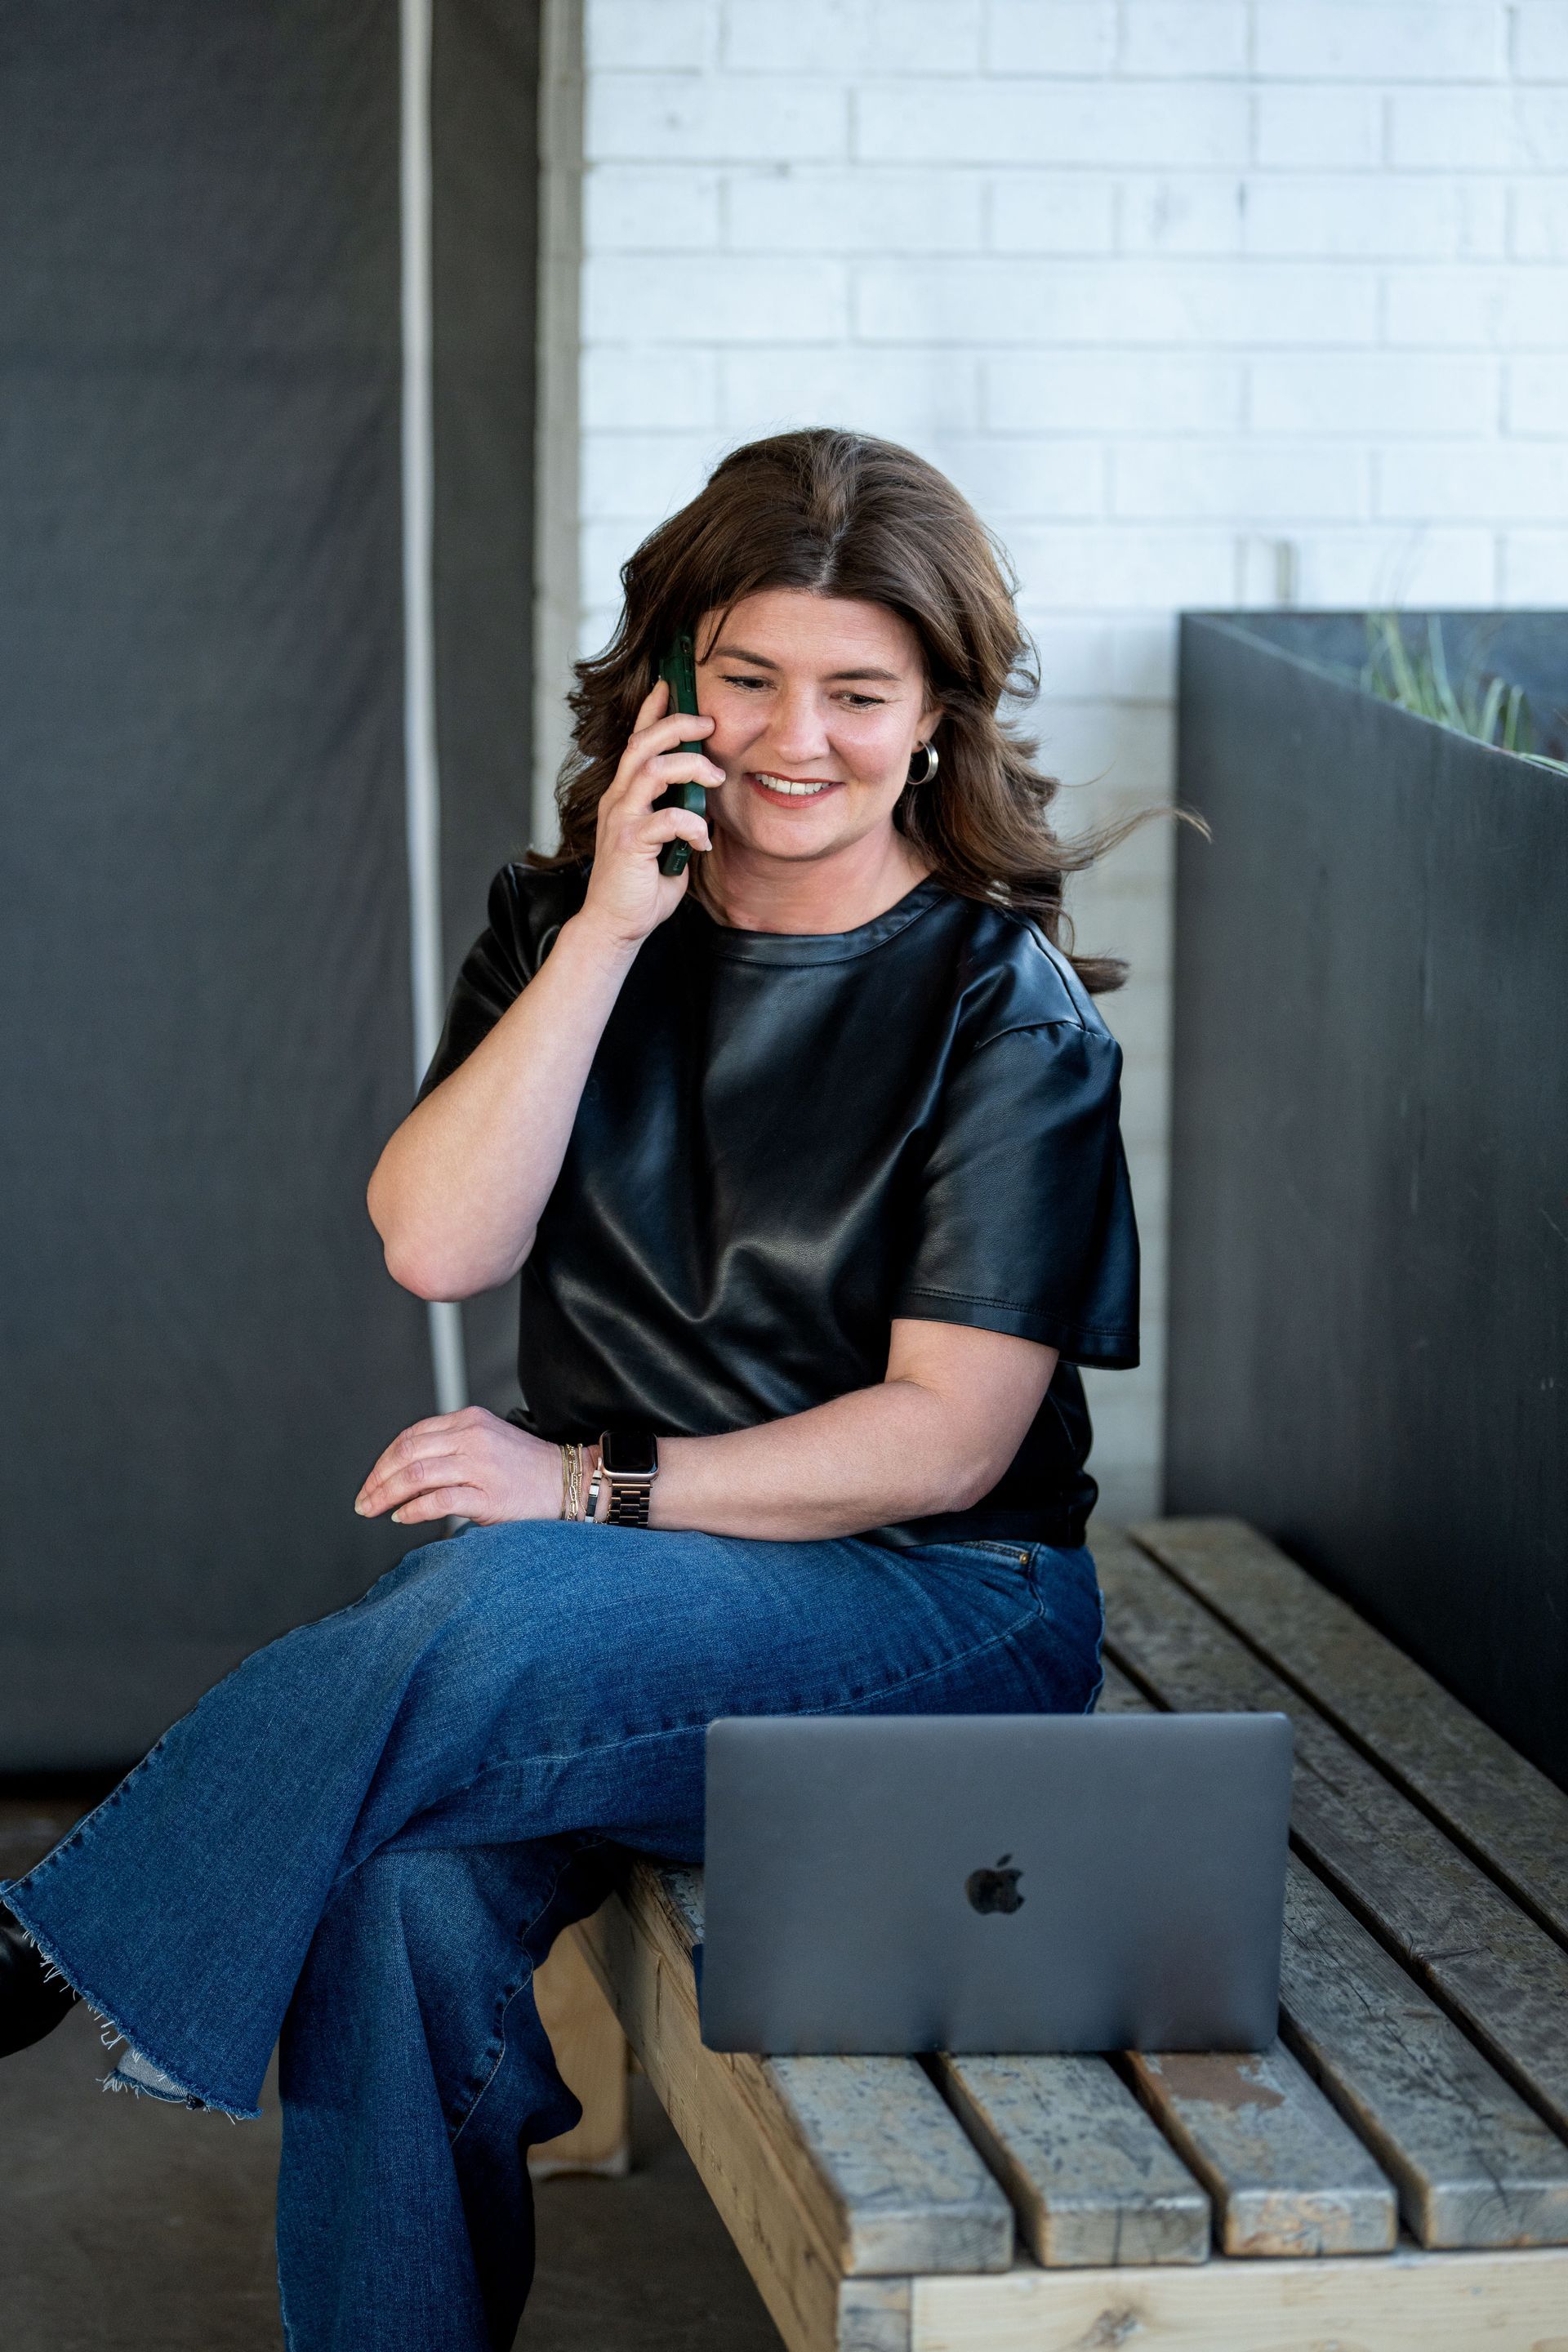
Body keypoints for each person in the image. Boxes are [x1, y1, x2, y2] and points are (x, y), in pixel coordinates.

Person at [0, 430, 1139, 2352]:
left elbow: (946, 1436)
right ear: (672, 685)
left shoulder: (1001, 1010)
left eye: (858, 692)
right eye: (749, 677)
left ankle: (51, 1933)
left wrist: (589, 1490)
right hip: (609, 1636)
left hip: (941, 1609)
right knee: (397, 1907)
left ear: (935, 715)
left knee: (502, 1585)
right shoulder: (568, 927)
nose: (798, 738)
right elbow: (437, 1242)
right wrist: (614, 927)